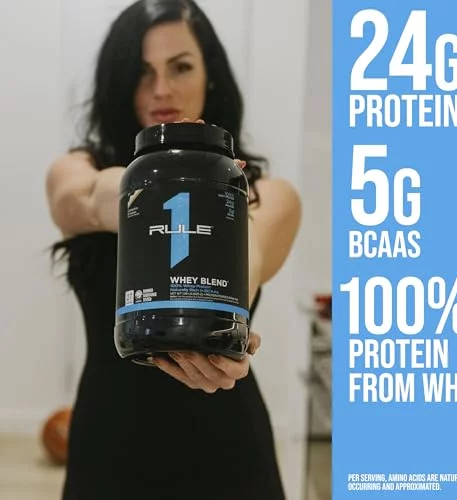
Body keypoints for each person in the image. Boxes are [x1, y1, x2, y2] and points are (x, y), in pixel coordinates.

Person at [46, 1, 301, 498]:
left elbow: (243, 261)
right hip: (109, 443)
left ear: (211, 76)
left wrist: (229, 333)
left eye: (180, 67)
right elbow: (86, 199)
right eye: (142, 72)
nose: (161, 89)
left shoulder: (267, 194)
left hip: (228, 449)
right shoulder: (78, 170)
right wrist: (155, 182)